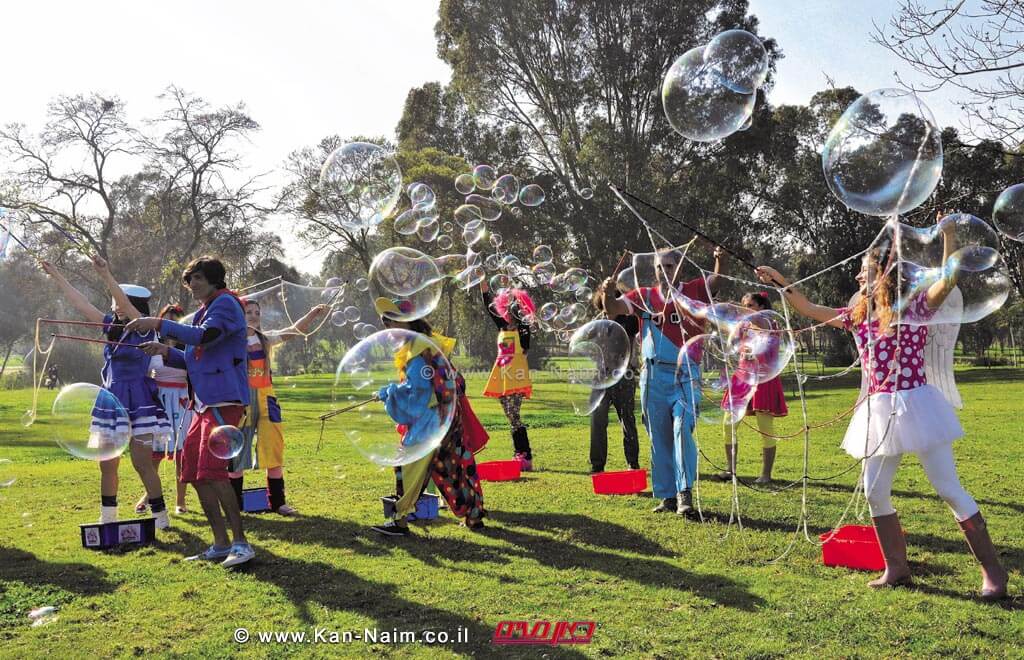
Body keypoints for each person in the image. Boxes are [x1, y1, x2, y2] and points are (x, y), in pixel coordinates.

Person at [755, 218, 1008, 600]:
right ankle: (897, 568)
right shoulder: (856, 316)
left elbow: (949, 279)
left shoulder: (917, 307)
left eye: (865, 271)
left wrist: (949, 237)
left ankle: (994, 575)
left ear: (885, 275)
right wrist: (779, 280)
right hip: (877, 410)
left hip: (918, 404)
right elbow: (807, 307)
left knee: (948, 488)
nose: (858, 276)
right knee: (875, 491)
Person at [131, 256, 254, 568]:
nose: (192, 285)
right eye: (189, 280)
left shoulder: (226, 304)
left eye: (197, 278)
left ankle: (241, 544)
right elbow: (195, 358)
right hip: (201, 402)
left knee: (214, 473)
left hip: (223, 399)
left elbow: (205, 337)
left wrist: (159, 324)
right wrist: (165, 351)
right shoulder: (203, 311)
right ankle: (219, 543)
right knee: (194, 473)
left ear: (213, 278)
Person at [41, 256, 173, 528]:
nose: (117, 306)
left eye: (122, 302)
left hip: (139, 401)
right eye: (114, 302)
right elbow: (81, 303)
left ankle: (160, 517)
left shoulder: (145, 329)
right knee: (107, 464)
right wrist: (56, 276)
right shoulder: (109, 326)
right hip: (110, 400)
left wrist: (106, 275)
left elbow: (124, 304)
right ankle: (108, 517)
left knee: (142, 463)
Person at [601, 247, 725, 516]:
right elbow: (612, 310)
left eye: (668, 266)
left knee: (682, 429)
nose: (663, 271)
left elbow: (716, 281)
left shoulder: (693, 290)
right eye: (659, 267)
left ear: (678, 268)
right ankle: (667, 495)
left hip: (686, 374)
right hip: (653, 376)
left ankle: (684, 493)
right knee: (658, 436)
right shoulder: (644, 296)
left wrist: (719, 260)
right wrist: (608, 292)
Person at [370, 301, 487, 537]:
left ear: (409, 319)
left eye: (392, 319)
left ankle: (399, 520)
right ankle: (473, 515)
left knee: (407, 466)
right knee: (453, 467)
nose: (388, 325)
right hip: (448, 417)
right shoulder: (425, 342)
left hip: (430, 421)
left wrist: (390, 393)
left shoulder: (418, 348)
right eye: (385, 320)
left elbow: (419, 392)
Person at [227, 298, 329, 516]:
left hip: (267, 400)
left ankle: (278, 503)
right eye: (248, 312)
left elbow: (293, 331)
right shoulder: (231, 342)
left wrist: (312, 314)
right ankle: (234, 506)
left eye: (257, 312)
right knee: (236, 454)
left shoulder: (264, 339)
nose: (253, 315)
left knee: (274, 449)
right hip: (241, 402)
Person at [717, 292, 788, 484]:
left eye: (750, 305)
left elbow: (768, 347)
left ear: (761, 306)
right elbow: (732, 344)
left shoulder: (771, 325)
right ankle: (730, 470)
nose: (746, 309)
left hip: (764, 379)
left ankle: (766, 474)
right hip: (742, 378)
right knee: (728, 424)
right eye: (744, 305)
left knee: (765, 428)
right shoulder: (744, 326)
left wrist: (754, 351)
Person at [135, 304, 191, 515]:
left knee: (181, 455)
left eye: (175, 321)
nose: (170, 325)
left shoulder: (190, 349)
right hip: (158, 401)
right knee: (154, 454)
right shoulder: (152, 346)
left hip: (183, 403)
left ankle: (180, 501)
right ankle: (149, 495)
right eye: (166, 320)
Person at [480, 281, 536, 469]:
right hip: (501, 376)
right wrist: (483, 285)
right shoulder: (502, 326)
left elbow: (525, 346)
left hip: (516, 376)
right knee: (510, 415)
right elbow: (489, 308)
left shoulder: (523, 330)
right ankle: (519, 453)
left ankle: (525, 454)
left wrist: (514, 294)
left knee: (514, 414)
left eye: (515, 308)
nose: (510, 312)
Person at [588, 288, 640, 473]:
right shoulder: (597, 323)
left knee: (627, 420)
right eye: (603, 295)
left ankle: (632, 463)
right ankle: (597, 465)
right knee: (597, 420)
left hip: (624, 377)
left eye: (609, 296)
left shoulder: (630, 321)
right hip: (601, 377)